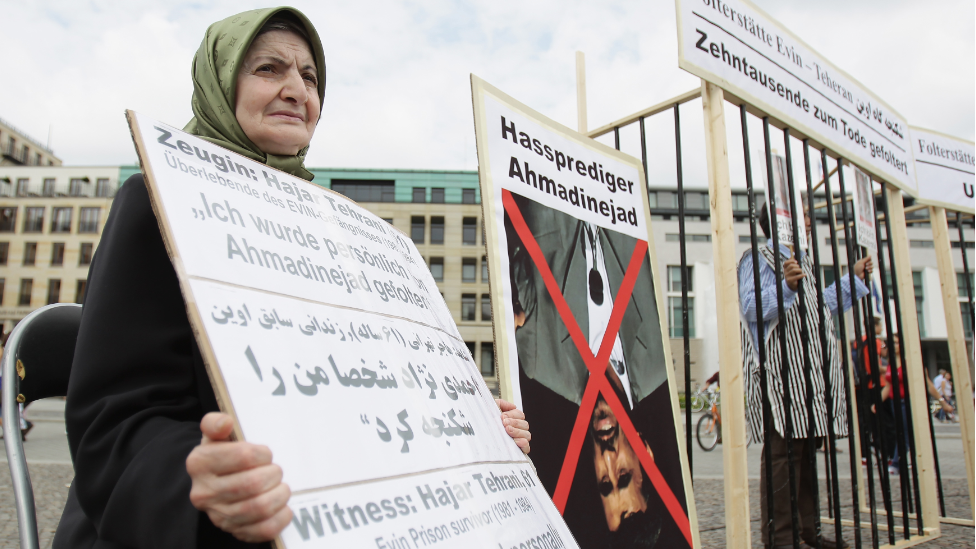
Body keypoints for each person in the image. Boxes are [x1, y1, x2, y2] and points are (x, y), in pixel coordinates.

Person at [55, 9, 531, 548]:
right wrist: (196, 476)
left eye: (310, 77)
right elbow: (113, 427)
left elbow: (368, 393)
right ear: (219, 84)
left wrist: (469, 426)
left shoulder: (340, 236)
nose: (295, 90)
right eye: (268, 69)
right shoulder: (154, 202)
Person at [739, 203, 872, 549]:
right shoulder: (759, 257)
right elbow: (750, 306)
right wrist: (784, 287)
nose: (810, 223)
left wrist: (852, 279)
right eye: (802, 218)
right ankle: (781, 538)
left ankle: (807, 532)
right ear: (783, 223)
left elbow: (820, 305)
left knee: (808, 452)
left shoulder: (804, 262)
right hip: (780, 374)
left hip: (809, 374)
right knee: (782, 455)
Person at [880, 335, 954, 475]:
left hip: (907, 402)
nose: (893, 345)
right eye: (891, 343)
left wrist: (942, 402)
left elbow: (928, 384)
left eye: (896, 342)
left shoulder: (911, 362)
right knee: (902, 432)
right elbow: (888, 386)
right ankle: (909, 461)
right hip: (893, 402)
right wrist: (877, 402)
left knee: (905, 433)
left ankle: (896, 462)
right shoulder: (890, 363)